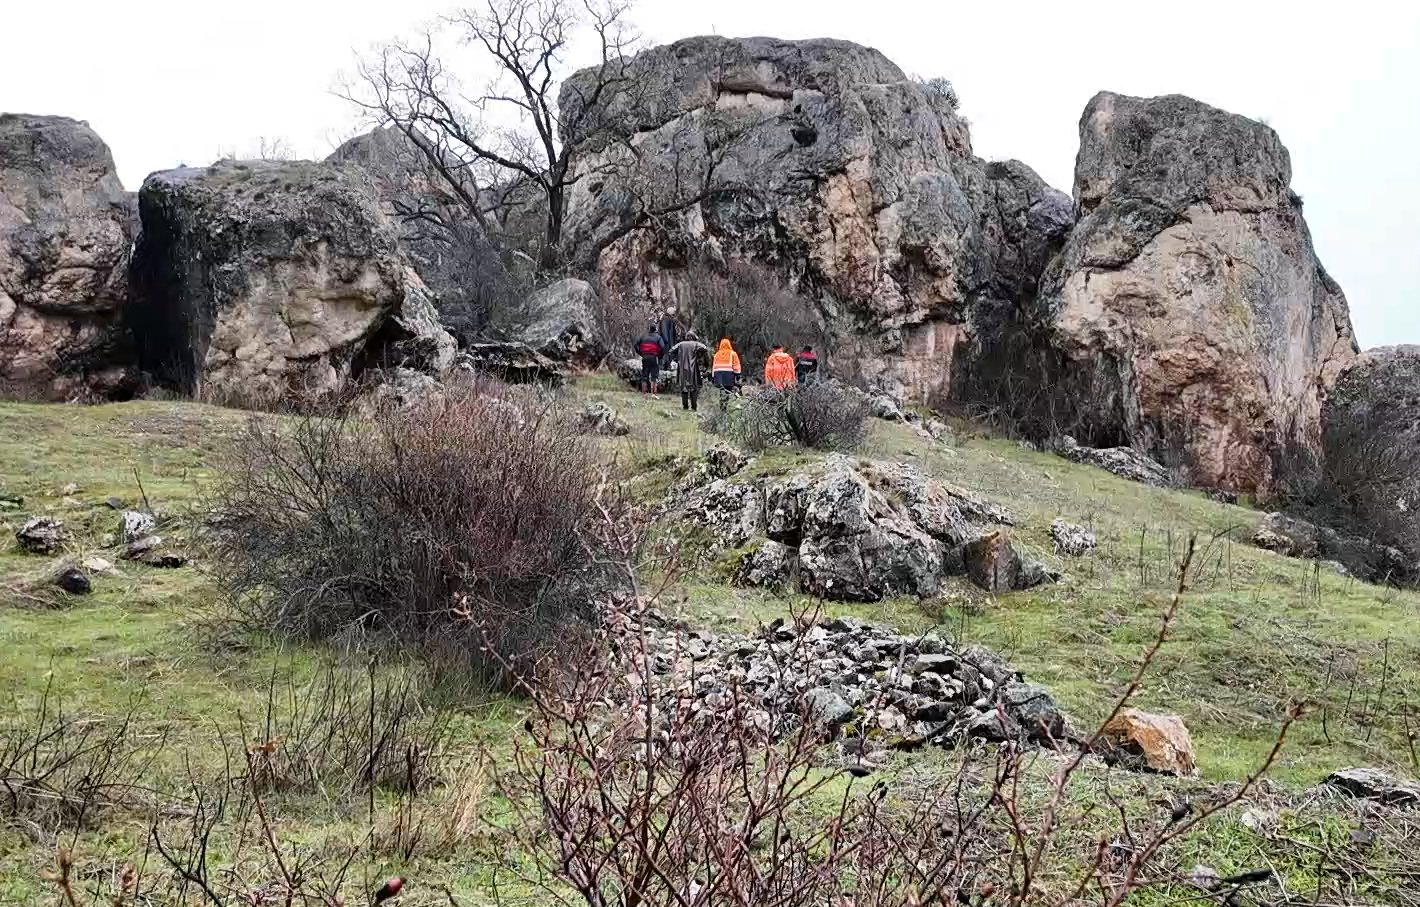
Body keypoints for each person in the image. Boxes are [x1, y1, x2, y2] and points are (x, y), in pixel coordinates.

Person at [670, 331, 711, 411]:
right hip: (693, 369)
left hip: (682, 369)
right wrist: (699, 355)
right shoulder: (696, 344)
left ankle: (685, 406)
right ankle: (694, 407)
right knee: (693, 388)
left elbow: (671, 350)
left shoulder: (681, 344)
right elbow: (704, 348)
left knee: (684, 388)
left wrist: (678, 358)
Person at [711, 338, 742, 406]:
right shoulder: (733, 353)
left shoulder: (716, 354)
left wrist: (713, 376)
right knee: (728, 390)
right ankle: (726, 405)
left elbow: (714, 366)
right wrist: (738, 374)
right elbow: (736, 365)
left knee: (722, 390)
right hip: (728, 374)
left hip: (718, 374)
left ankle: (722, 405)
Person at [634, 326, 665, 394]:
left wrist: (640, 353)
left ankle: (644, 393)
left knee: (644, 375)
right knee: (654, 376)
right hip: (654, 357)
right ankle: (653, 393)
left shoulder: (643, 336)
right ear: (655, 330)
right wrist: (660, 356)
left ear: (649, 329)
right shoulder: (658, 337)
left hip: (645, 356)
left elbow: (635, 345)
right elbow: (663, 347)